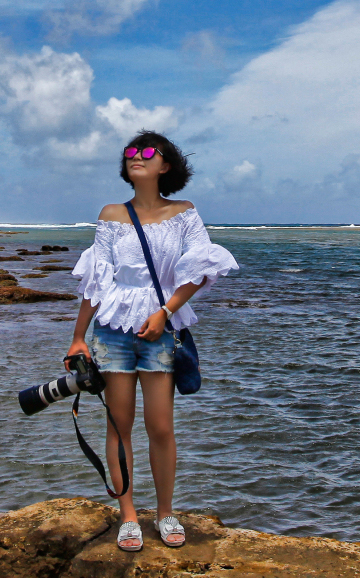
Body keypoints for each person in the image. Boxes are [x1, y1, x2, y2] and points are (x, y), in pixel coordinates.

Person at [64, 131, 239, 552]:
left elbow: (200, 269)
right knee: (118, 424)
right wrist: (77, 338)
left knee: (160, 426)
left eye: (146, 153)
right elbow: (96, 279)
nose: (135, 158)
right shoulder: (110, 213)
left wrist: (165, 311)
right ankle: (127, 515)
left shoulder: (184, 213)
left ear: (166, 166)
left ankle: (164, 512)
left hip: (160, 327)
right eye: (130, 153)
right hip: (111, 329)